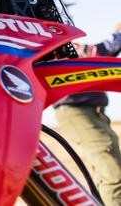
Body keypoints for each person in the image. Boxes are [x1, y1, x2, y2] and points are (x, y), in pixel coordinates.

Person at [54, 23, 121, 205]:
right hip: (78, 112)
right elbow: (98, 52)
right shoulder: (58, 48)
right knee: (114, 174)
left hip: (92, 112)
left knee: (107, 174)